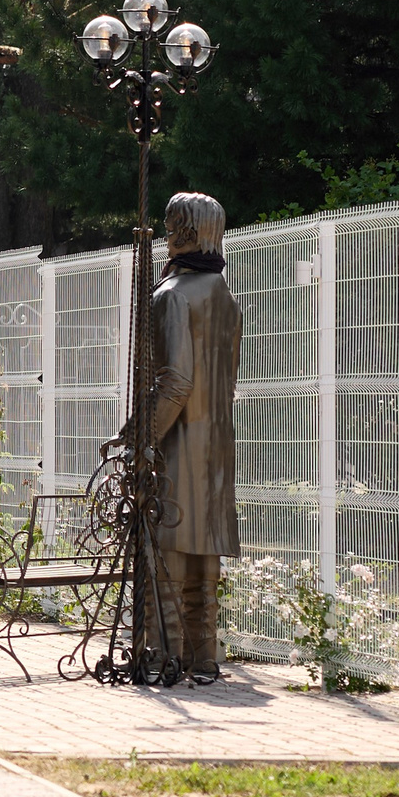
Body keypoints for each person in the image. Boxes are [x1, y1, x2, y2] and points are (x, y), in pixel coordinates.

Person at [127, 192, 243, 674]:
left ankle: (164, 653)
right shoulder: (226, 299)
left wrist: (140, 436)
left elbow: (175, 380)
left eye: (172, 225)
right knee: (203, 557)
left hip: (175, 439)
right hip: (215, 443)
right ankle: (203, 654)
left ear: (183, 233)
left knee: (166, 552)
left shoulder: (171, 294)